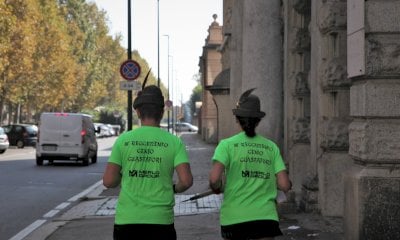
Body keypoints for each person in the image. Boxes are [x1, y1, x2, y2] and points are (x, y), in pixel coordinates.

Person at [103, 85, 193, 240]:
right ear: (162, 112)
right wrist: (174, 189)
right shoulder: (174, 142)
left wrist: (123, 177)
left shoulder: (123, 140)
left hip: (127, 221)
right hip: (161, 221)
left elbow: (109, 181)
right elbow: (186, 181)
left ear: (138, 112)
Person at [209, 88, 291, 240]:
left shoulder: (226, 145)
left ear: (237, 118)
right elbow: (285, 185)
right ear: (258, 121)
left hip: (234, 219)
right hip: (265, 219)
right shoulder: (271, 147)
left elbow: (214, 179)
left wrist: (217, 188)